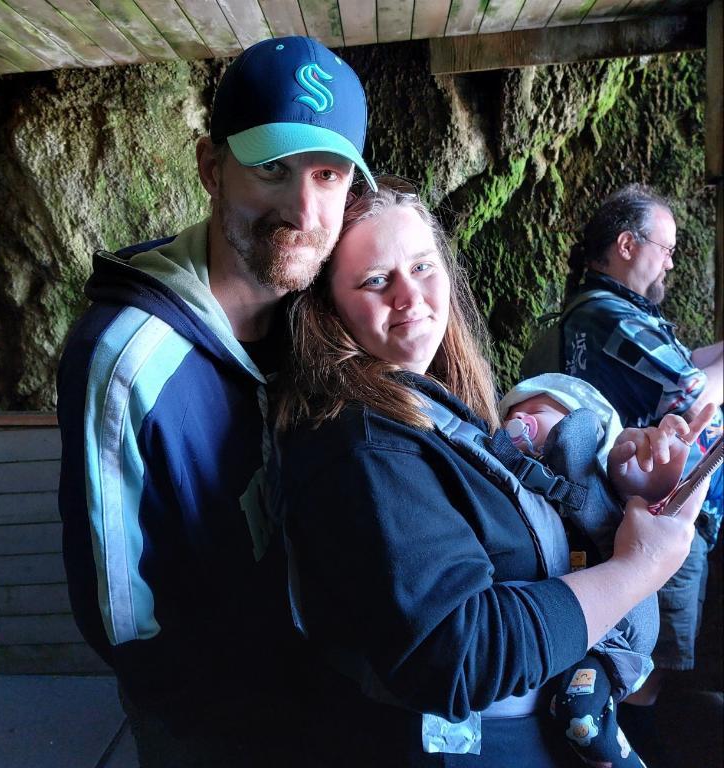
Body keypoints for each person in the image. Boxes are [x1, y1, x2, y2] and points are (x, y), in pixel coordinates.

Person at [274, 179, 712, 767]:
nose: (409, 296)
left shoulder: (434, 408)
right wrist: (640, 568)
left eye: (422, 267)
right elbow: (461, 652)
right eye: (376, 280)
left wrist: (622, 484)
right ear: (329, 309)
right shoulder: (366, 444)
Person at [56, 35, 376, 766]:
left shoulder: (325, 317)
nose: (303, 208)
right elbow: (121, 617)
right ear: (210, 167)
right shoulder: (128, 361)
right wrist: (239, 717)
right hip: (210, 728)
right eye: (272, 168)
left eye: (328, 175)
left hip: (323, 697)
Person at [523, 184, 723, 704]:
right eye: (667, 248)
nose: (672, 263)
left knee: (652, 668)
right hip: (652, 516)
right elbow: (693, 392)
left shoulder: (606, 313)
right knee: (647, 678)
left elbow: (687, 363)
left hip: (655, 515)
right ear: (628, 245)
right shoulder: (604, 315)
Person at [499, 373, 710, 767]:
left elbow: (587, 449)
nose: (518, 420)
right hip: (550, 633)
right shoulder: (503, 477)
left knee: (580, 717)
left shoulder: (587, 475)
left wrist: (636, 476)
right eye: (512, 412)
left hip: (605, 635)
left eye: (539, 411)